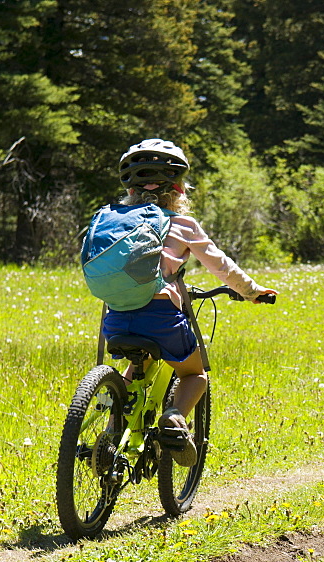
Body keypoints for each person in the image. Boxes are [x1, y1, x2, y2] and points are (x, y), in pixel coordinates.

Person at [103, 138, 277, 466]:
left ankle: (110, 433)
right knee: (195, 374)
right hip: (160, 316)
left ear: (129, 190)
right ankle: (175, 418)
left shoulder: (113, 222)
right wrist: (253, 292)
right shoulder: (183, 224)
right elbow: (222, 266)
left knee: (133, 369)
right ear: (180, 189)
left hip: (115, 316)